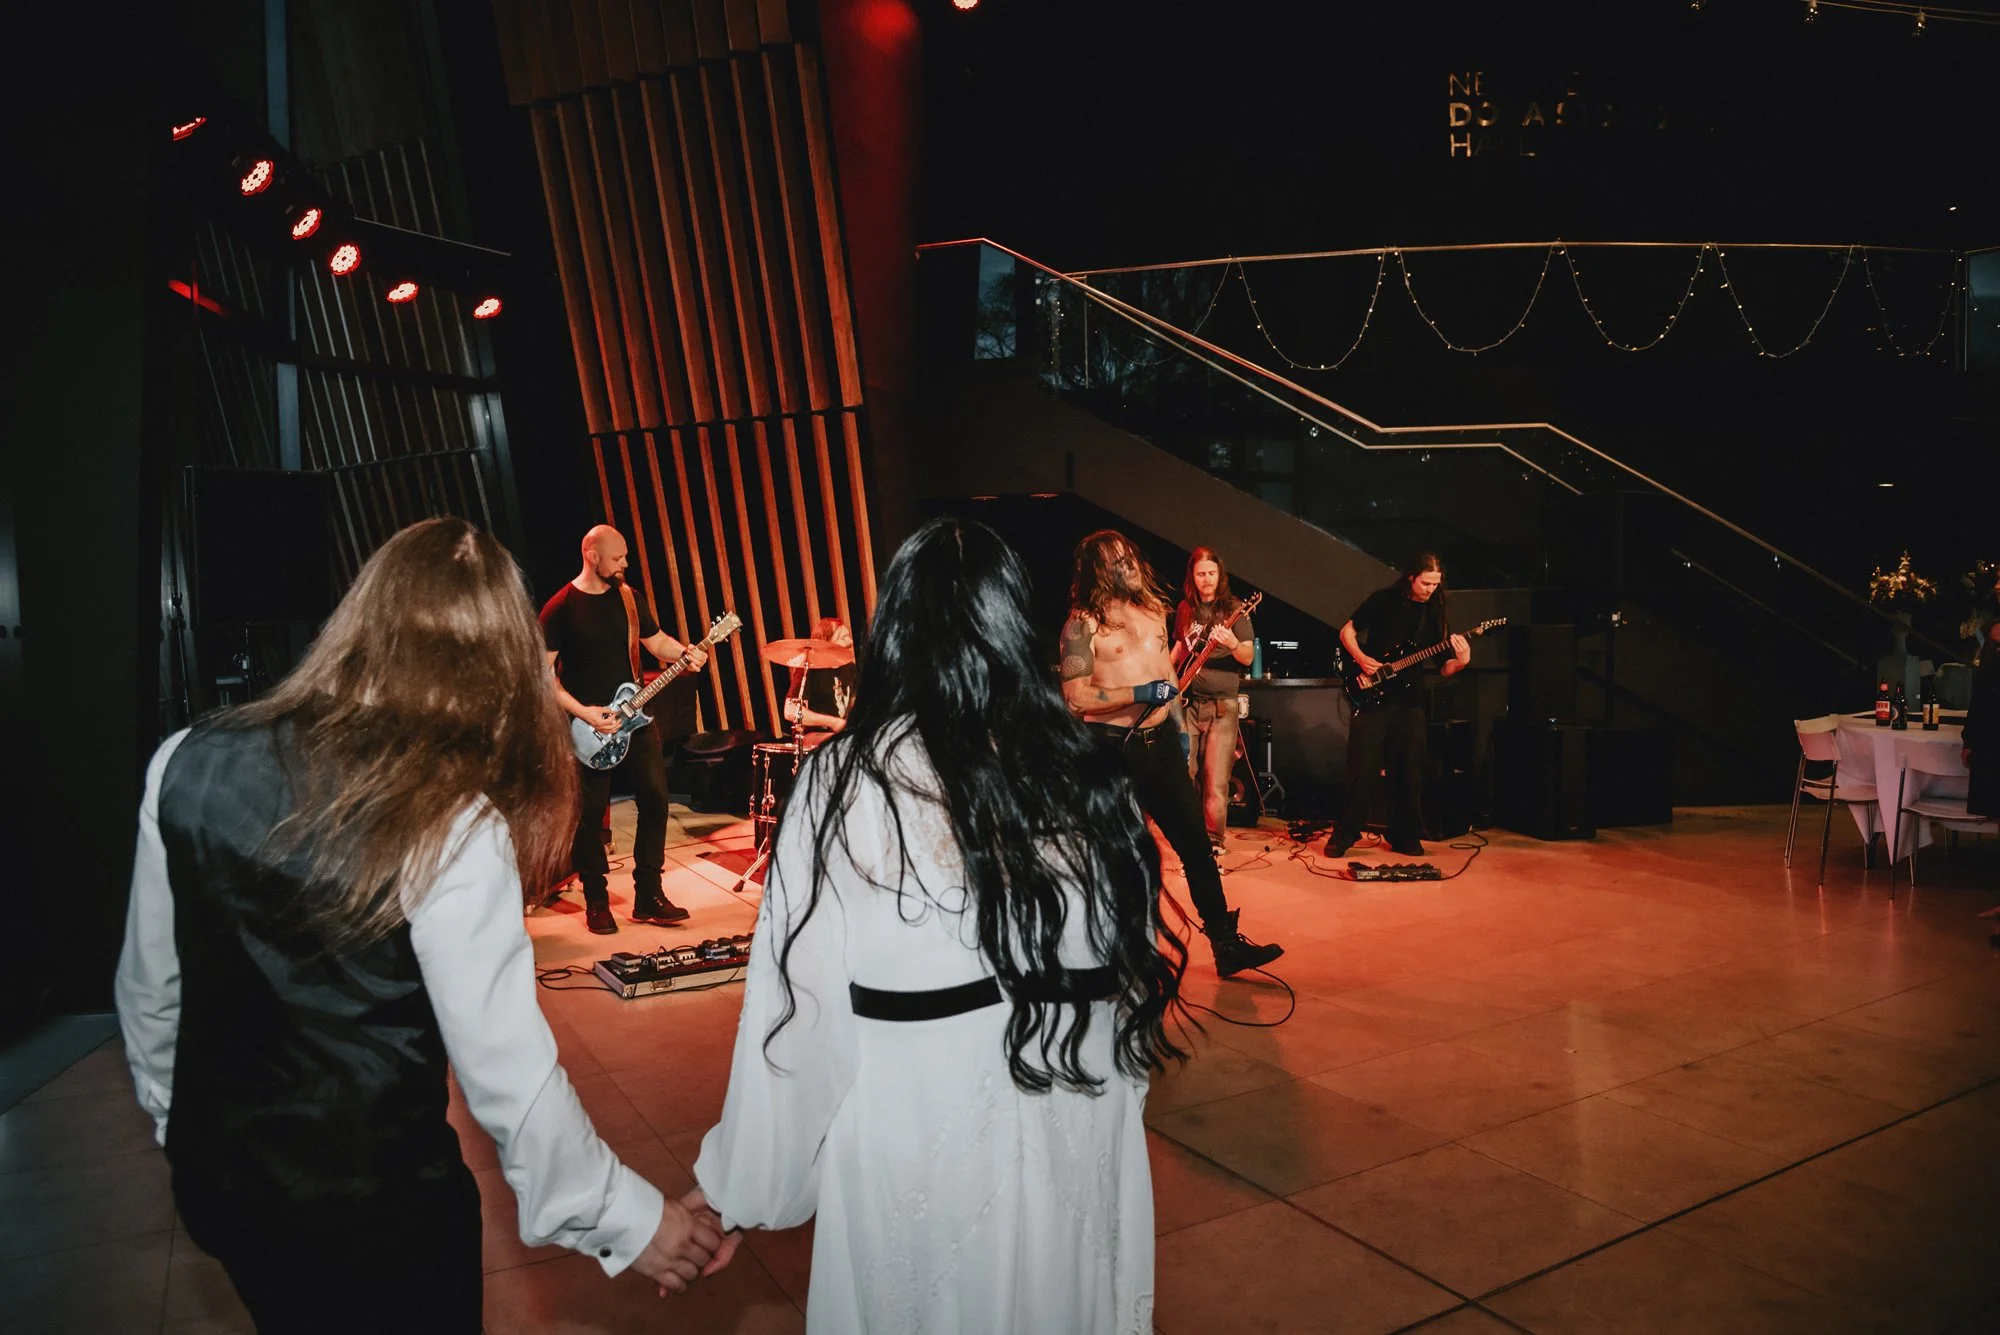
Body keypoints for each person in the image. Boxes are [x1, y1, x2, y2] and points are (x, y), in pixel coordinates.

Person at [114, 518, 726, 1334]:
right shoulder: (452, 820)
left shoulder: (185, 757)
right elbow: (508, 1072)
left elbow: (151, 996)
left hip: (227, 1186)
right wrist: (632, 1219)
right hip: (381, 1208)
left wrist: (179, 1125)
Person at [691, 518, 1185, 1333]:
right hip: (1074, 1134)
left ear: (894, 635)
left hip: (922, 1155)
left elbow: (800, 1019)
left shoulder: (845, 781)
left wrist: (741, 1187)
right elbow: (1124, 998)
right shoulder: (1084, 770)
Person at [1061, 530, 1283, 977]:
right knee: (1121, 857)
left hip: (1161, 745)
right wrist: (1139, 693)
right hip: (1112, 750)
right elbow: (1076, 698)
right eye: (1116, 559)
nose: (1128, 565)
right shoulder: (1082, 624)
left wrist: (1178, 731)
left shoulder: (1151, 611)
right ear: (1097, 569)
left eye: (1129, 556)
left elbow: (1168, 677)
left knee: (1197, 848)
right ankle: (1113, 953)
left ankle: (1225, 945)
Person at [542, 524, 708, 933]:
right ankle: (597, 901)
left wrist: (685, 653)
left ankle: (649, 895)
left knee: (655, 800)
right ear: (591, 556)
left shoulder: (630, 598)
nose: (625, 564)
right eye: (617, 558)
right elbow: (542, 676)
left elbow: (656, 642)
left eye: (626, 557)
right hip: (588, 728)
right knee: (590, 816)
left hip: (636, 721)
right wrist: (583, 713)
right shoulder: (560, 608)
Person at [1325, 552, 1470, 859]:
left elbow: (1444, 667)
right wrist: (1362, 659)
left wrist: (1462, 661)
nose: (1431, 589)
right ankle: (1345, 833)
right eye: (1426, 583)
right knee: (1361, 769)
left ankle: (1404, 835)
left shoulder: (1434, 612)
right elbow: (1347, 631)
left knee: (1410, 772)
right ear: (1411, 577)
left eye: (1436, 584)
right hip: (1373, 698)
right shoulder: (1383, 600)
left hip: (1410, 701)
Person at [1174, 547, 1256, 846]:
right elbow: (1179, 649)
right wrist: (1166, 680)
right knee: (1184, 774)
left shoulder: (1234, 609)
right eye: (1200, 574)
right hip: (1187, 704)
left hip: (1222, 706)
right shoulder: (1185, 609)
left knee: (1216, 779)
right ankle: (1188, 836)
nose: (1207, 579)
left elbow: (1248, 656)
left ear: (1220, 575)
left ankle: (1212, 841)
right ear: (1192, 577)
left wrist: (1233, 643)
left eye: (1211, 573)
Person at [781, 616, 856, 737]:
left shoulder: (850, 668)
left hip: (840, 735)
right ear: (826, 643)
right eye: (843, 638)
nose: (850, 642)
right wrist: (833, 722)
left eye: (848, 636)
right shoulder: (810, 668)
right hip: (814, 734)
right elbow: (790, 711)